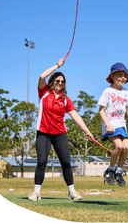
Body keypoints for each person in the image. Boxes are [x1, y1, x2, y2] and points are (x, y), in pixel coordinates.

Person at [28, 59, 94, 201]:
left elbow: (75, 116)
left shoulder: (65, 99)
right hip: (43, 133)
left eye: (62, 82)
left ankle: (72, 192)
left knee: (66, 162)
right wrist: (57, 66)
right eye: (57, 81)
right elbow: (41, 77)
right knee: (42, 162)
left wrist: (86, 130)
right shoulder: (44, 92)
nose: (59, 83)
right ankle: (36, 192)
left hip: (60, 134)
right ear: (52, 82)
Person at [98, 62, 128, 186]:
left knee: (126, 147)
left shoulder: (127, 93)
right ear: (112, 76)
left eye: (125, 75)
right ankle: (110, 170)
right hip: (110, 124)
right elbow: (101, 110)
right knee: (119, 147)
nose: (123, 77)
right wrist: (107, 124)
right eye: (120, 75)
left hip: (121, 124)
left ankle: (119, 171)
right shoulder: (107, 91)